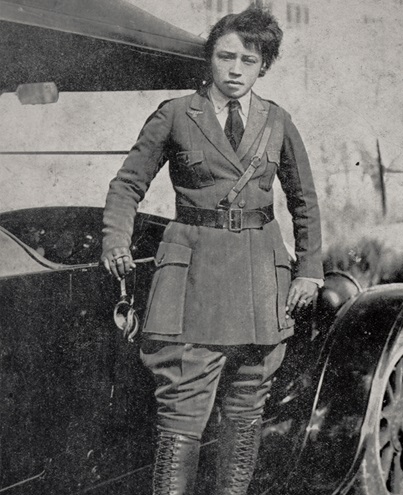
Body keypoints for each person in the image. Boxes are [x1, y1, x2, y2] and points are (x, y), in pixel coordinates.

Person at [101, 7, 322, 494]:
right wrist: (116, 238)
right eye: (226, 56)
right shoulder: (176, 115)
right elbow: (127, 186)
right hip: (193, 277)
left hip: (260, 279)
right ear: (210, 61)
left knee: (247, 405)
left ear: (264, 64)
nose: (236, 69)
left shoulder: (278, 121)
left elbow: (303, 200)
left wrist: (309, 270)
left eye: (249, 58)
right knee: (182, 405)